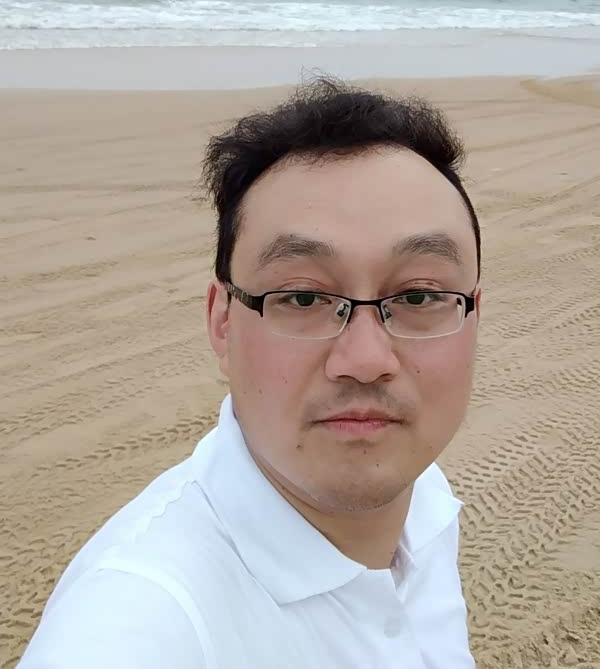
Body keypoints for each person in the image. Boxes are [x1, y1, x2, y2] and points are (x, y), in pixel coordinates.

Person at [19, 76, 482, 669]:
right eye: (303, 297)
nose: (366, 359)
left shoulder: (425, 497)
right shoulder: (144, 620)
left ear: (475, 314)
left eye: (419, 296)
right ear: (222, 322)